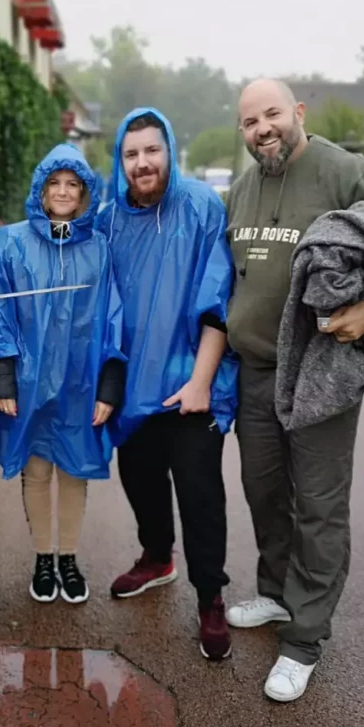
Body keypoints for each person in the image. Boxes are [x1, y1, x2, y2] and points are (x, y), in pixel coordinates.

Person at [224, 78, 364, 701]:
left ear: (296, 113)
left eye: (271, 114)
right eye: (248, 121)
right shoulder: (241, 189)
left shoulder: (347, 172)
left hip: (322, 367)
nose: (262, 128)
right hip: (257, 372)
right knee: (264, 490)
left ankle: (304, 639)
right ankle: (274, 593)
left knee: (318, 502)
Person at [0, 143, 126, 605]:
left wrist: (108, 385)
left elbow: (114, 319)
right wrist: (3, 379)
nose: (64, 192)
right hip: (26, 383)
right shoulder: (11, 243)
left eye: (74, 184)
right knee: (37, 467)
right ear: (40, 190)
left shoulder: (99, 249)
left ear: (87, 193)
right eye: (55, 183)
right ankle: (42, 558)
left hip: (80, 383)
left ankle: (68, 557)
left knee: (74, 467)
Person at [95, 108, 238, 662]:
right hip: (134, 385)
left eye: (151, 150)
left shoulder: (200, 207)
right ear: (120, 161)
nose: (142, 163)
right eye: (131, 154)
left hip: (190, 385)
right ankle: (157, 557)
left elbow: (218, 297)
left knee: (200, 492)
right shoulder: (109, 220)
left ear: (169, 150)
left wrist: (202, 380)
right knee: (141, 480)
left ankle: (211, 596)